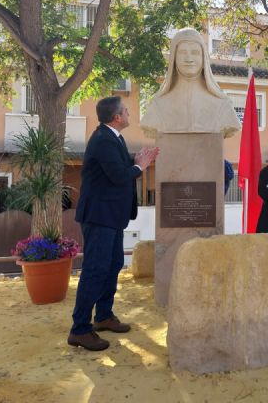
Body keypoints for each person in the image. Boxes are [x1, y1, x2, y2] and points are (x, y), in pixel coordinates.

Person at [68, 96, 159, 351]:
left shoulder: (113, 138)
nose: (130, 113)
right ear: (117, 117)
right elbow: (119, 175)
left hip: (111, 217)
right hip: (99, 217)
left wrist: (136, 161)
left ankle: (104, 316)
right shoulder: (102, 140)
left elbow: (119, 167)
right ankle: (80, 329)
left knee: (113, 264)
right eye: (126, 111)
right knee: (96, 269)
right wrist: (140, 167)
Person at [140, 28, 241, 138]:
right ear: (174, 58)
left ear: (204, 59)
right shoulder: (158, 106)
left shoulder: (222, 106)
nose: (189, 59)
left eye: (195, 52)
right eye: (183, 52)